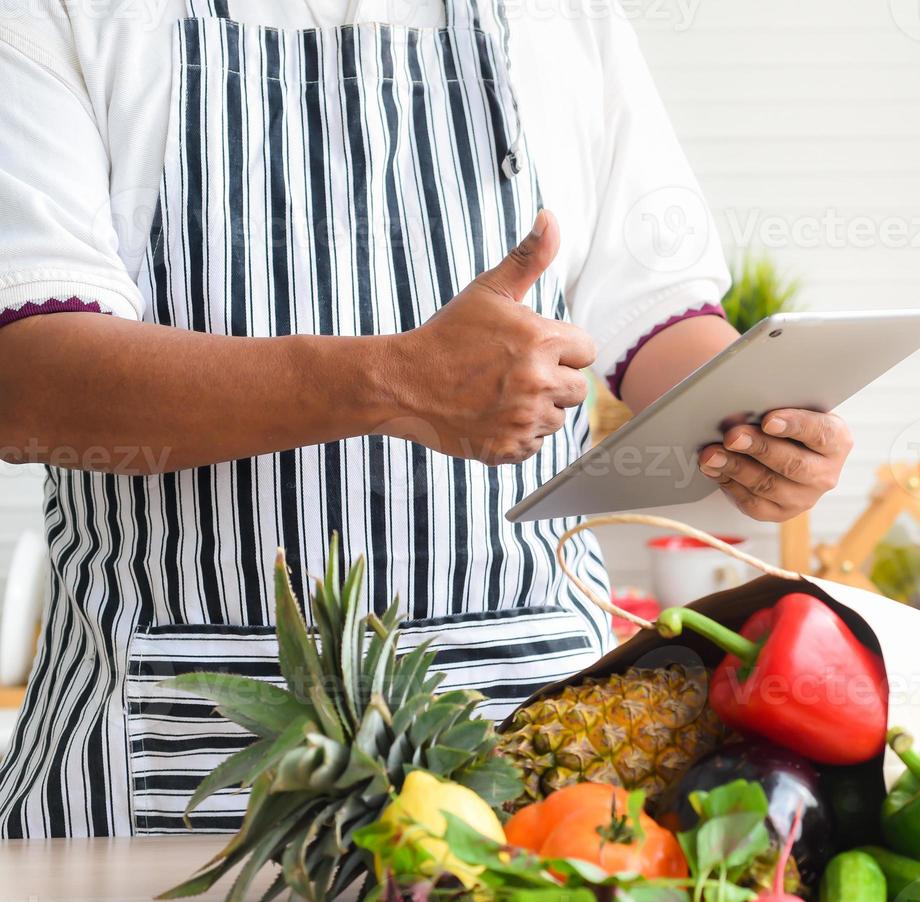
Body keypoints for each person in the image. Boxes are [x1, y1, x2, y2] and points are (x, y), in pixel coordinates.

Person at [0, 0, 851, 837]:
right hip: (169, 776)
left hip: (544, 780)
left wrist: (760, 422)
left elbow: (659, 316)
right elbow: (25, 382)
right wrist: (393, 380)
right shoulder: (69, 15)